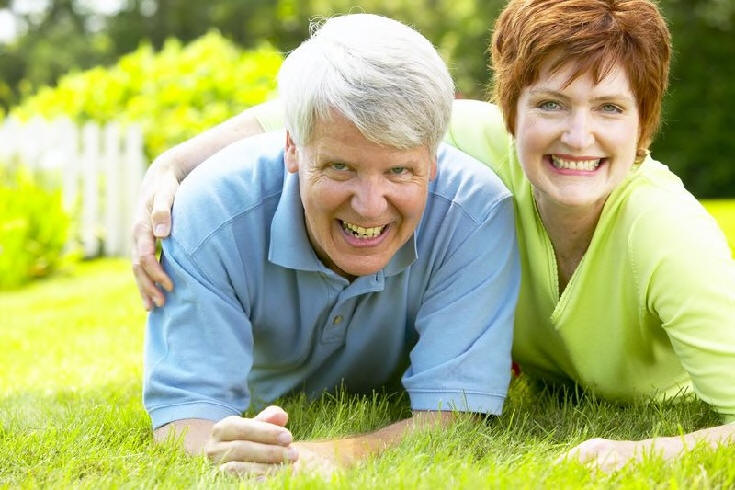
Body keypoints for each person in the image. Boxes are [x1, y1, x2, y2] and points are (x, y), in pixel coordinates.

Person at [134, 0, 735, 472]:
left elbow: (457, 418)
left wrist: (639, 453)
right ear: (510, 114)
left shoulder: (664, 235)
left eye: (610, 108)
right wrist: (173, 166)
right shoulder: (457, 141)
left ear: (645, 123)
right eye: (550, 103)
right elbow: (307, 113)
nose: (577, 136)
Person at [143, 14, 520, 477]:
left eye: (400, 171)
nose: (368, 205)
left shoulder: (476, 213)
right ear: (293, 148)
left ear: (433, 158)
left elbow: (457, 415)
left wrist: (337, 453)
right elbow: (186, 414)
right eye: (341, 167)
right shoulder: (211, 210)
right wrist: (215, 446)